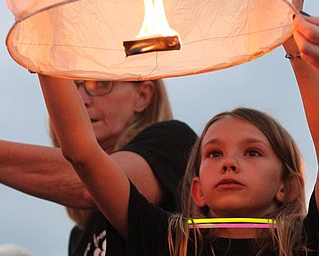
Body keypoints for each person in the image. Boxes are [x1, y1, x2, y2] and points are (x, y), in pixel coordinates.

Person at [37, 10, 319, 256]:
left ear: (289, 187)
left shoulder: (306, 243)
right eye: (214, 153)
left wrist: (296, 45)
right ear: (198, 191)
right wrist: (43, 48)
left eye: (253, 152)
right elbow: (82, 152)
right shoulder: (168, 241)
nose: (229, 163)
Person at [0, 79, 197, 256]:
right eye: (73, 85)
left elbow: (92, 183)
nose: (82, 98)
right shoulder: (79, 235)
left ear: (143, 96)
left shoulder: (173, 142)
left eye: (101, 84)